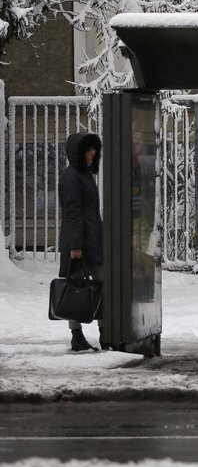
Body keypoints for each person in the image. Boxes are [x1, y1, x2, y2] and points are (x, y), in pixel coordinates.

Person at [58, 132, 104, 352]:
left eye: (94, 150)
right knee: (76, 288)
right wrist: (76, 246)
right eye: (88, 150)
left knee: (101, 285)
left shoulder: (84, 175)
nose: (92, 154)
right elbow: (73, 213)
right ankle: (77, 336)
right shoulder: (72, 177)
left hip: (91, 240)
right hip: (79, 243)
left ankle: (105, 331)